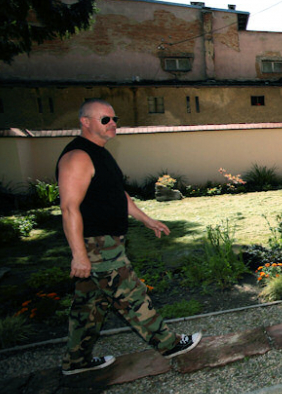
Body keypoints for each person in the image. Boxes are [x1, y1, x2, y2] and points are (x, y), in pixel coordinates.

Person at [57, 99, 201, 375]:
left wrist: (146, 220)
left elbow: (117, 195)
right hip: (97, 245)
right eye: (105, 119)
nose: (112, 124)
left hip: (107, 242)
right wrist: (79, 254)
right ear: (85, 122)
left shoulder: (100, 154)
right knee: (132, 295)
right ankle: (169, 343)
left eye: (114, 119)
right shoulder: (78, 157)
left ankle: (76, 361)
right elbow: (68, 208)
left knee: (89, 309)